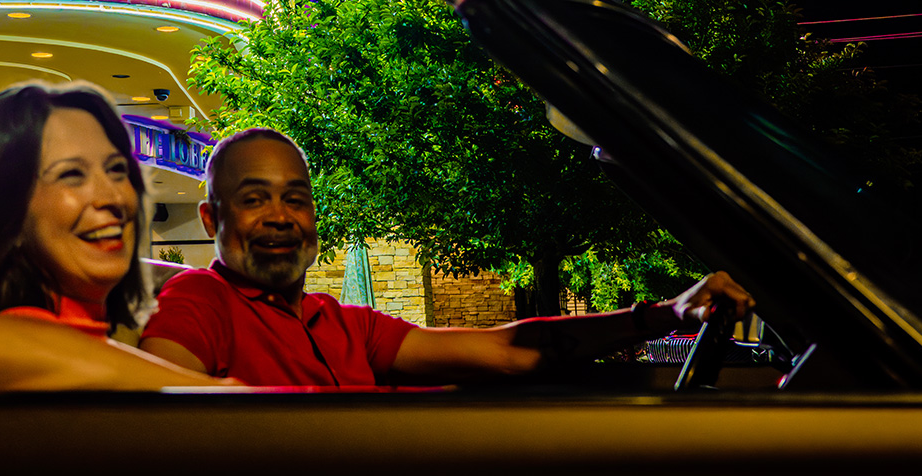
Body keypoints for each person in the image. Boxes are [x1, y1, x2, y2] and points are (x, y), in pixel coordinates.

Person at [139, 127, 755, 387]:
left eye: (295, 199)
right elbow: (152, 412)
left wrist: (664, 315)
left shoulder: (344, 323)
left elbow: (510, 349)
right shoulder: (201, 299)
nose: (279, 216)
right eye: (254, 200)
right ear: (212, 220)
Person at [0, 81, 237, 392]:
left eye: (117, 169)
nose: (112, 196)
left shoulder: (95, 338)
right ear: (5, 210)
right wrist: (229, 397)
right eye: (71, 175)